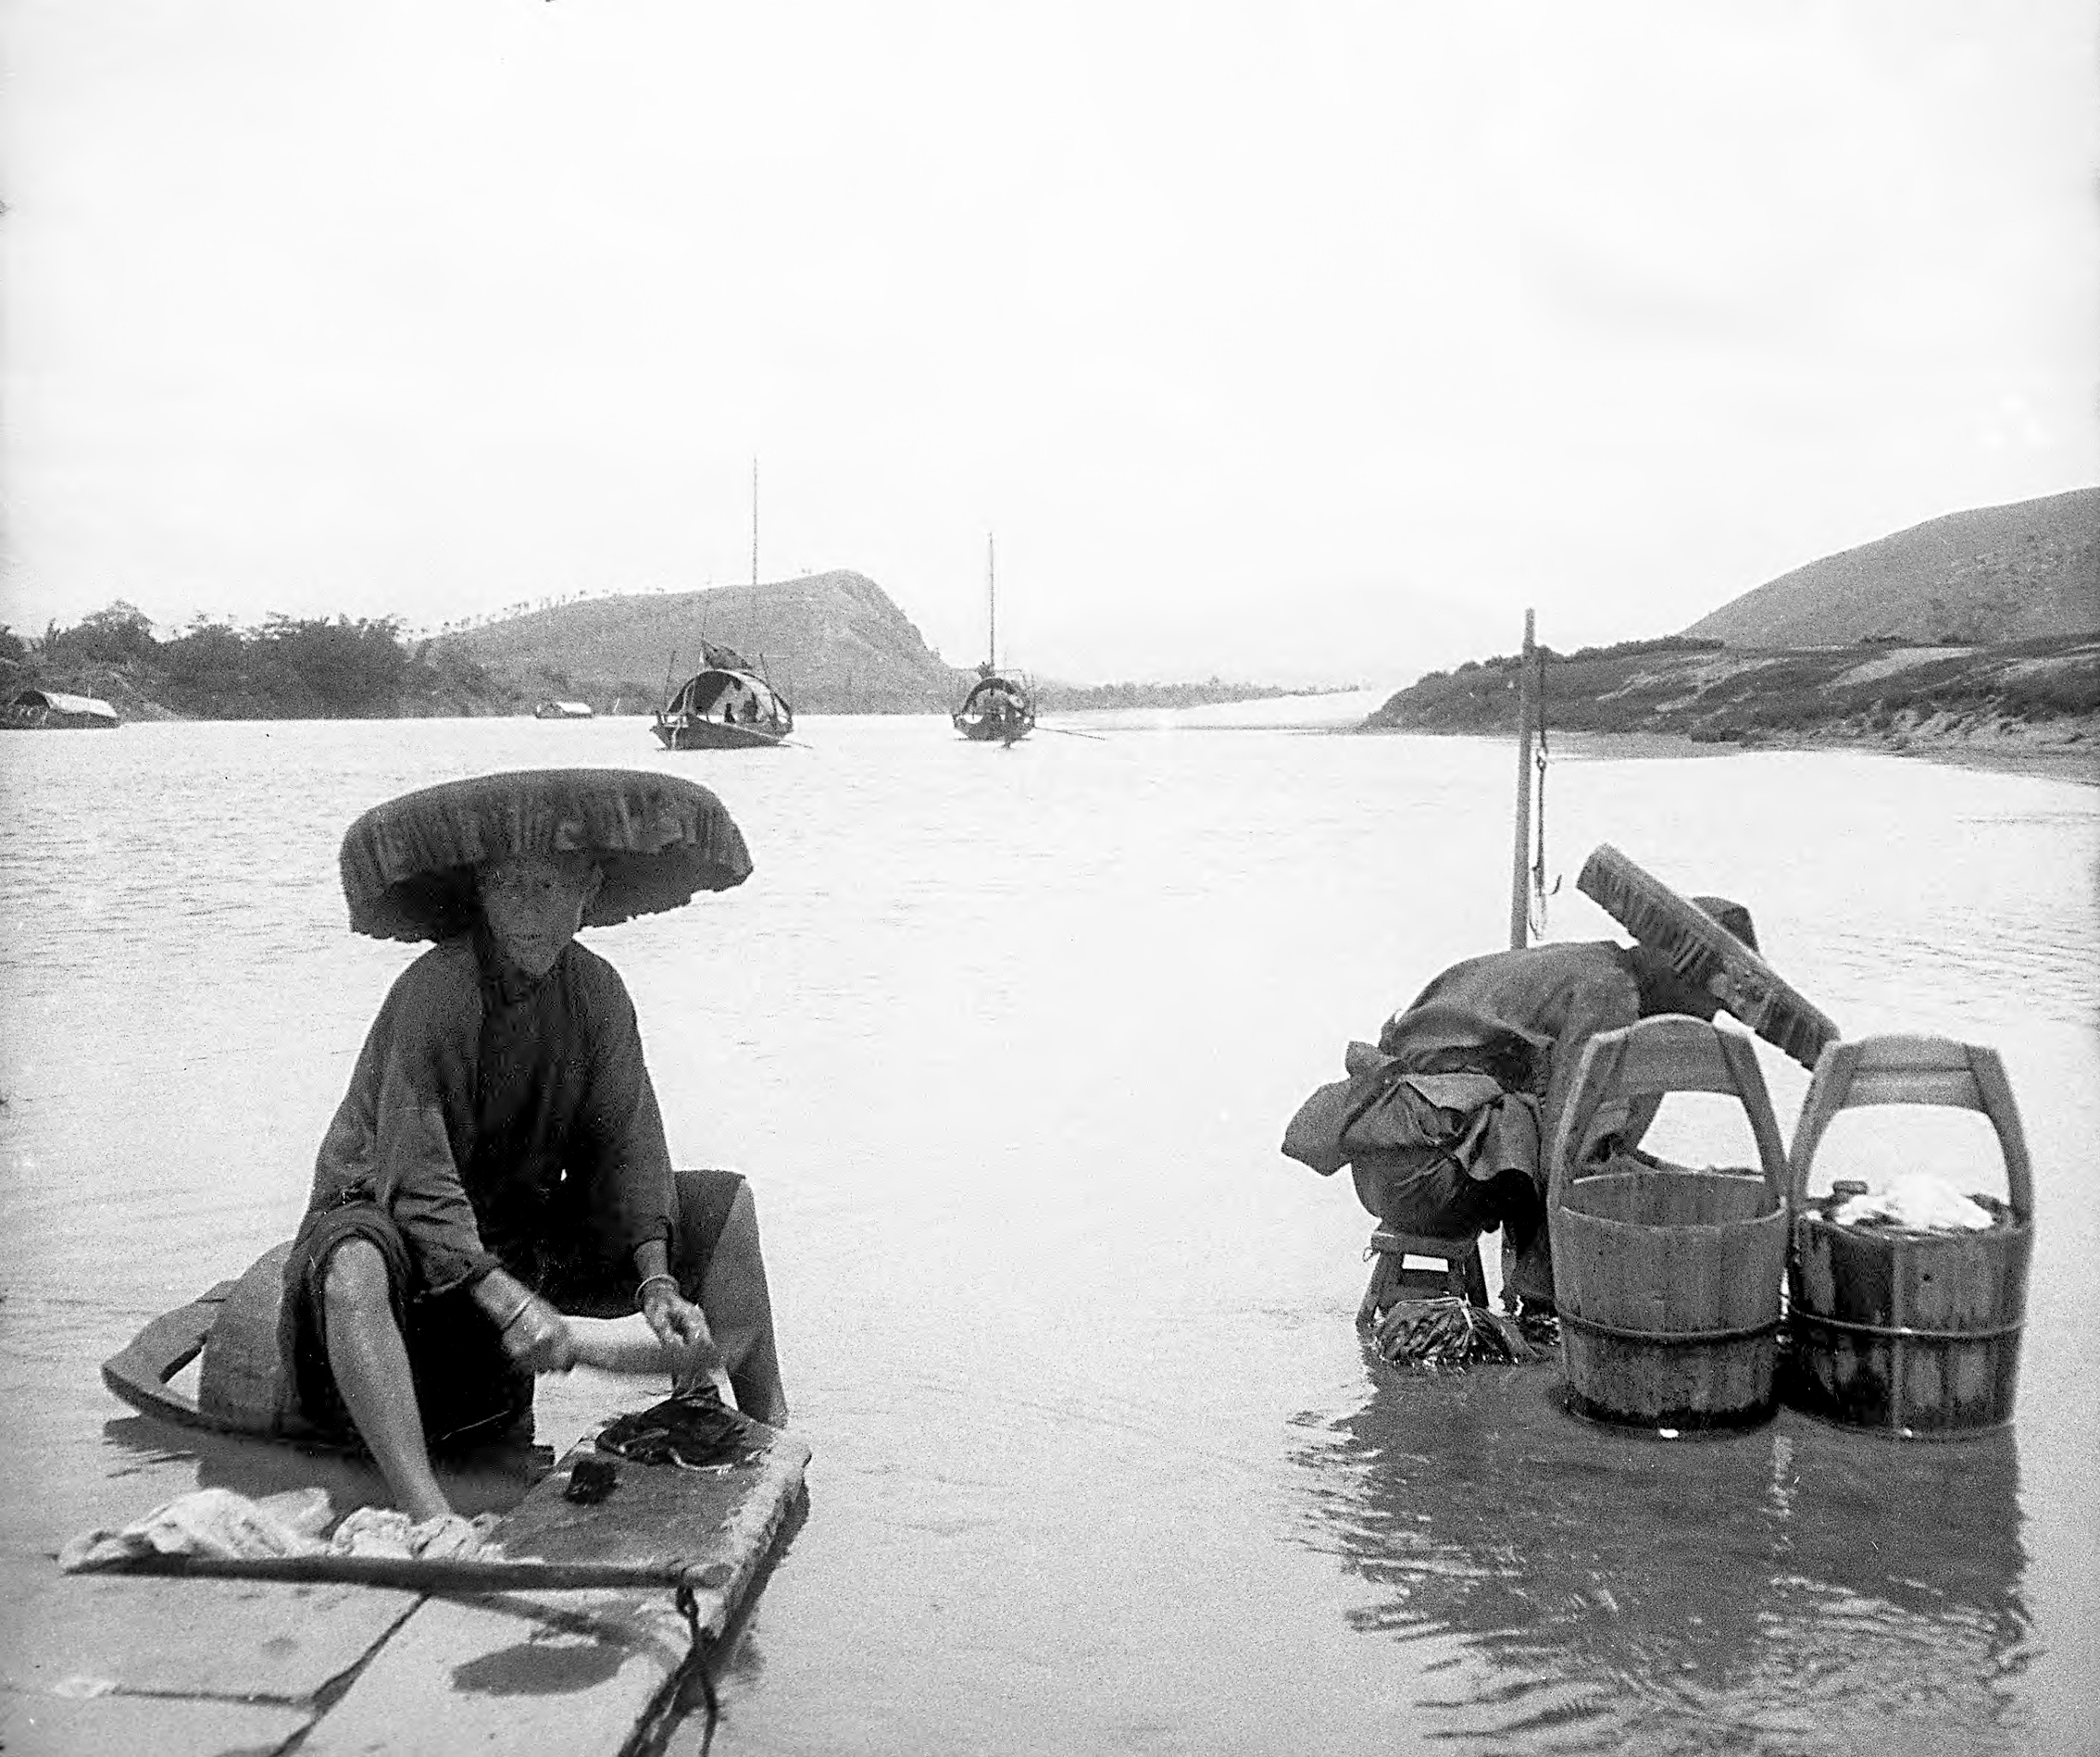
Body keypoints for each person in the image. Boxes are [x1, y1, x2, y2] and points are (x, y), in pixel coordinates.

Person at [281, 845, 789, 1534]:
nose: (527, 908)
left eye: (549, 885)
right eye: (507, 886)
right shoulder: (436, 990)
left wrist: (657, 1283)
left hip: (514, 1223)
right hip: (390, 1221)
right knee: (354, 1261)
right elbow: (415, 1178)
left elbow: (629, 1147)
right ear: (480, 896)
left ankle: (768, 1439)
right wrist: (510, 1303)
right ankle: (429, 1517)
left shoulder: (598, 992)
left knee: (724, 1207)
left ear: (589, 893)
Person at [1284, 897, 1758, 1313]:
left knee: (1547, 1120)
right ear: (1680, 970)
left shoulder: (1591, 965)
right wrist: (1688, 1189)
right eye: (1708, 1001)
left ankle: (1535, 1290)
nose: (1704, 1017)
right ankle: (1542, 1302)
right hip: (1423, 1172)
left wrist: (1682, 1176)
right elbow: (1571, 1157)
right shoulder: (1610, 995)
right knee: (1556, 1139)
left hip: (1393, 1162)